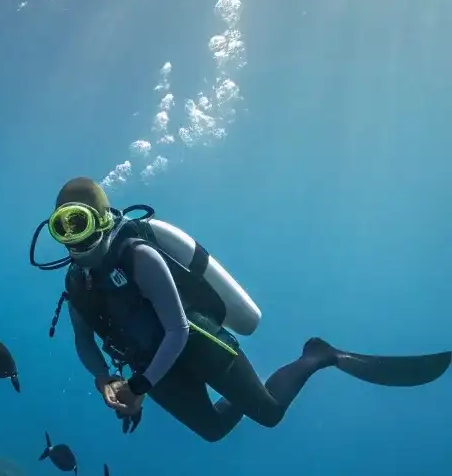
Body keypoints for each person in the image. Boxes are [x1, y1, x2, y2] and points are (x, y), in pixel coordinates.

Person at [37, 177, 450, 442]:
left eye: (79, 222)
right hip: (147, 365)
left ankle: (317, 355)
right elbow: (83, 340)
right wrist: (106, 379)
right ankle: (247, 387)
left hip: (195, 343)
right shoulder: (76, 282)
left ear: (101, 220)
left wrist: (139, 387)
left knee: (268, 413)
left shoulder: (138, 255)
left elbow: (178, 330)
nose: (73, 238)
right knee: (212, 430)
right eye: (62, 226)